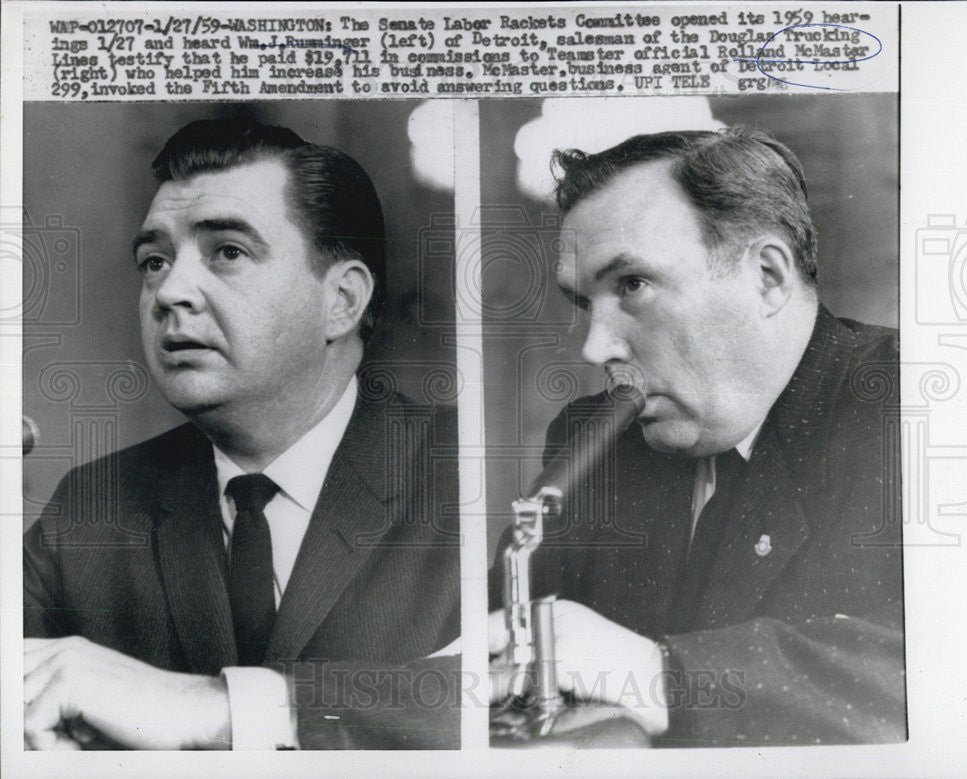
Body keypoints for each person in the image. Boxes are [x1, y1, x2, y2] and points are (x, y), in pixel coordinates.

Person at [24, 118, 460, 750]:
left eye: (228, 251)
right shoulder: (91, 507)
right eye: (154, 261)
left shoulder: (479, 479)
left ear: (342, 300)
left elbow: (531, 701)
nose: (170, 292)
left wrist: (220, 708)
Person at [489, 127, 905, 746]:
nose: (596, 347)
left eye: (632, 285)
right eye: (586, 303)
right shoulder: (590, 442)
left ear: (767, 276)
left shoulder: (927, 406)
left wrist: (657, 676)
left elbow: (955, 669)